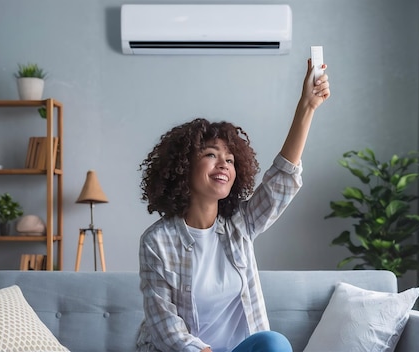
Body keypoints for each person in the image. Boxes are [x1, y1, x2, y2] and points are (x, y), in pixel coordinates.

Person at [137, 58, 330, 352]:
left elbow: (281, 181)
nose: (223, 164)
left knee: (273, 342)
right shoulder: (157, 242)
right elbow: (166, 329)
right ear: (182, 166)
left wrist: (308, 106)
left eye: (229, 159)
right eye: (211, 155)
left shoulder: (241, 223)